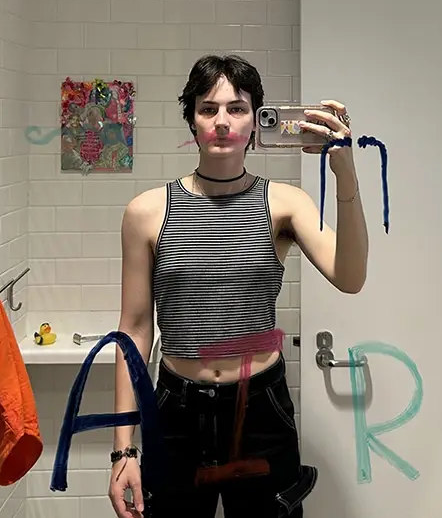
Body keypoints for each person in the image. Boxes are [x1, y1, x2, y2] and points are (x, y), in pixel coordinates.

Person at [107, 54, 370, 518]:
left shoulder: (285, 203)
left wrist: (345, 172)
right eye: (208, 109)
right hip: (175, 410)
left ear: (256, 120)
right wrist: (123, 449)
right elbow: (133, 332)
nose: (222, 122)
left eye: (237, 108)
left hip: (261, 409)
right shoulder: (145, 212)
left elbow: (350, 277)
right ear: (191, 120)